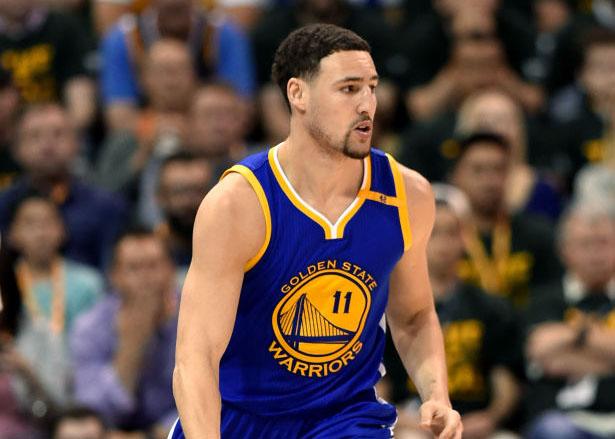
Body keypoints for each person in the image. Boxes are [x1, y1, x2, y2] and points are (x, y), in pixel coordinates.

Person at [170, 24, 462, 438]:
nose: (367, 104)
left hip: (342, 417)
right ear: (298, 94)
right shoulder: (239, 204)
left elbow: (414, 316)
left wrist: (436, 395)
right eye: (349, 89)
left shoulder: (406, 195)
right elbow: (195, 357)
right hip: (237, 418)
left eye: (372, 88)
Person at [385, 184, 521, 438]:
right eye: (434, 232)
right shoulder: (391, 307)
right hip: (412, 420)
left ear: (466, 238)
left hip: (475, 421)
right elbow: (380, 385)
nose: (444, 244)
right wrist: (402, 420)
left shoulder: (492, 308)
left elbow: (506, 381)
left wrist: (491, 418)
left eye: (452, 233)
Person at [71, 228, 179, 437]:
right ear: (115, 276)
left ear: (170, 270)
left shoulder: (194, 317)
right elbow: (91, 411)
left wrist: (150, 436)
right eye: (134, 268)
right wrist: (131, 347)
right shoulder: (90, 326)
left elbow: (210, 397)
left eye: (153, 266)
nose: (146, 278)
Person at [524, 202, 615, 439]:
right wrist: (606, 355)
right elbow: (542, 353)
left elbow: (557, 360)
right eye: (585, 244)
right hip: (562, 418)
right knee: (554, 431)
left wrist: (573, 340)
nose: (596, 254)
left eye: (603, 242)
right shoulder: (544, 299)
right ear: (564, 251)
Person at [0, 103, 128, 269]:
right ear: (16, 148)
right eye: (34, 136)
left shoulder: (107, 207)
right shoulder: (3, 206)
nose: (47, 145)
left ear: (77, 143)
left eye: (58, 134)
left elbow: (114, 271)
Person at [450, 132, 561, 307]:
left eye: (498, 170)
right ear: (456, 176)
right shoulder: (442, 238)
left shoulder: (539, 234)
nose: (489, 181)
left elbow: (551, 295)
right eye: (478, 170)